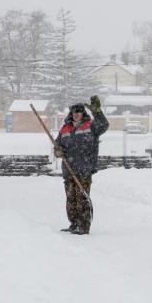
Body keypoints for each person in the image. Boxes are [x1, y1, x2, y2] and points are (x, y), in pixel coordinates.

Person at [54, 96, 108, 234]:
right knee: (71, 198)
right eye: (74, 112)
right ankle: (74, 224)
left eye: (79, 111)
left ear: (83, 113)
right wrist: (58, 150)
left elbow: (104, 125)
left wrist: (97, 112)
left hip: (84, 168)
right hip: (69, 169)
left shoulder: (91, 126)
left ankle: (83, 226)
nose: (77, 114)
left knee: (82, 198)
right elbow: (57, 145)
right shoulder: (65, 129)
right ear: (71, 113)